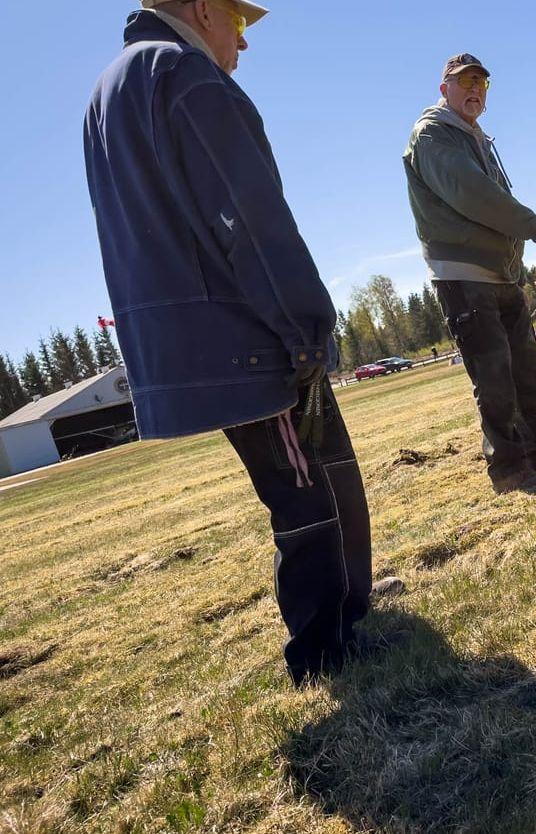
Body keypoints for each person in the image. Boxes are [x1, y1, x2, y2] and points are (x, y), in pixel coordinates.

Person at [84, 0, 376, 685]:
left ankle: (342, 621)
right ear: (201, 8)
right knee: (313, 491)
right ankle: (324, 654)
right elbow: (249, 218)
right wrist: (305, 327)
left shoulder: (109, 89)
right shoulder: (181, 71)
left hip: (189, 337)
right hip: (247, 331)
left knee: (302, 488)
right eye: (238, 23)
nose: (242, 45)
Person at [404, 53, 536, 494]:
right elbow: (474, 195)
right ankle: (508, 471)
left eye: (482, 85)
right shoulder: (433, 135)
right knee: (494, 377)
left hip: (501, 274)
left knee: (527, 369)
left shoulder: (476, 138)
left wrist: (517, 262)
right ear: (443, 88)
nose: (475, 91)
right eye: (465, 82)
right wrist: (533, 228)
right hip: (464, 276)